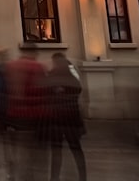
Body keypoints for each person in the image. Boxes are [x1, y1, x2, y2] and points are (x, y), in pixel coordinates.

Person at [41, 53, 86, 181]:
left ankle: (54, 177)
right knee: (76, 149)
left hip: (56, 119)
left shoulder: (52, 76)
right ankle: (83, 177)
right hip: (72, 119)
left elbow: (45, 94)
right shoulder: (72, 78)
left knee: (56, 150)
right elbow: (78, 91)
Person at [3, 47, 45, 181]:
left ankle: (12, 173)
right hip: (31, 115)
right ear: (32, 52)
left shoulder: (10, 66)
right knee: (30, 149)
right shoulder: (37, 67)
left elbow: (5, 90)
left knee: (13, 147)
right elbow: (42, 92)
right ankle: (28, 174)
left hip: (12, 113)